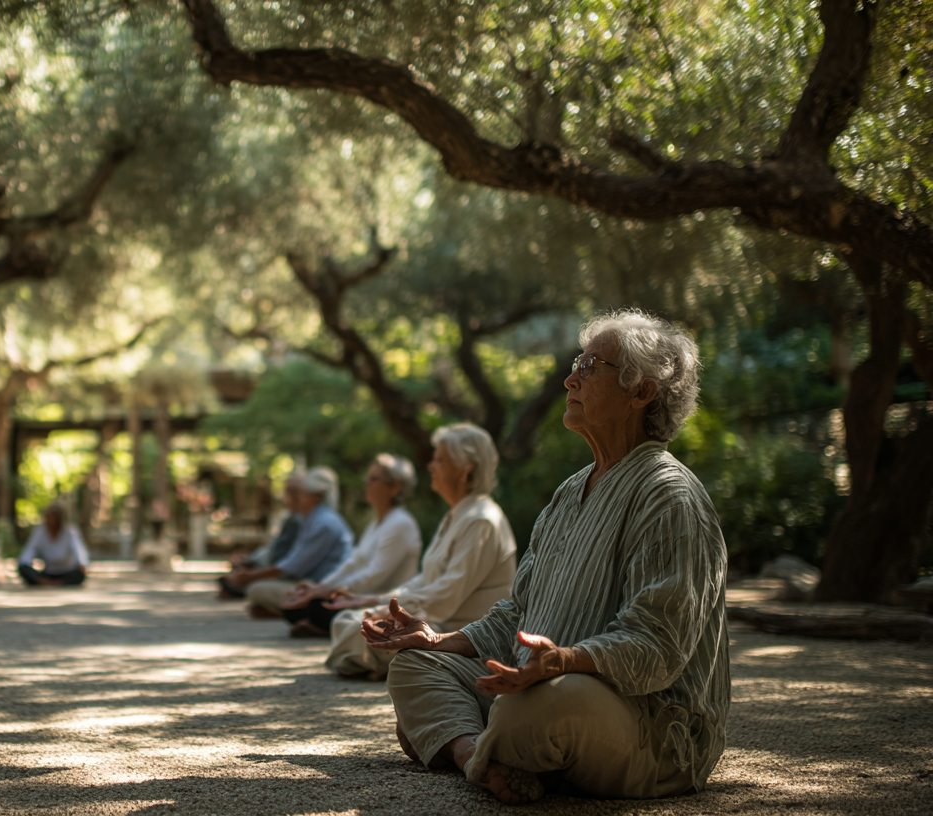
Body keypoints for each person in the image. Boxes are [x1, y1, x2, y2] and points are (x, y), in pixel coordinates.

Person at [366, 309, 729, 805]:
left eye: (590, 365)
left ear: (641, 391)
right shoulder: (569, 493)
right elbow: (518, 612)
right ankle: (484, 754)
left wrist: (566, 662)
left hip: (648, 727)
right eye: (577, 362)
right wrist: (439, 638)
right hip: (540, 686)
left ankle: (463, 744)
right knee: (415, 665)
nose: (569, 377)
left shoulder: (669, 495)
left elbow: (659, 646)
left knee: (530, 707)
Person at [317, 424, 515, 678]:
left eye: (440, 460)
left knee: (355, 629)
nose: (431, 466)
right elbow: (427, 579)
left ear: (467, 468)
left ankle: (388, 664)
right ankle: (374, 664)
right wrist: (376, 602)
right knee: (348, 621)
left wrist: (386, 609)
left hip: (458, 635)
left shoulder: (481, 520)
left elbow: (446, 595)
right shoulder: (458, 515)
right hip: (436, 620)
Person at [280, 453, 423, 638]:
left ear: (394, 487)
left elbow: (375, 575)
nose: (366, 483)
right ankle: (324, 626)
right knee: (301, 605)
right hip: (359, 596)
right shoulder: (377, 522)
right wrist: (321, 587)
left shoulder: (400, 524)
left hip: (379, 600)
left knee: (317, 607)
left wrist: (335, 591)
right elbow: (353, 563)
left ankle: (325, 627)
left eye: (373, 479)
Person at [242, 467, 354, 618]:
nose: (296, 498)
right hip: (310, 583)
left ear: (315, 496)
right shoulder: (309, 519)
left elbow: (293, 565)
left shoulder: (324, 522)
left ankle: (300, 612)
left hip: (322, 586)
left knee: (256, 589)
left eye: (301, 493)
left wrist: (251, 576)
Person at [218, 473, 305, 599]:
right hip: (275, 567)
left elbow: (293, 563)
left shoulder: (308, 521)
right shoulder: (290, 518)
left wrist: (253, 574)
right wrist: (251, 559)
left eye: (293, 492)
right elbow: (274, 547)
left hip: (290, 575)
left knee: (256, 590)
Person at [18, 503, 90, 586]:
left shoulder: (70, 531)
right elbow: (30, 549)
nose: (50, 520)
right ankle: (45, 582)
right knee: (23, 569)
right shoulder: (39, 531)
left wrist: (82, 563)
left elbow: (79, 548)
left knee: (79, 574)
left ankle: (59, 583)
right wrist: (24, 563)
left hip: (67, 572)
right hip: (48, 572)